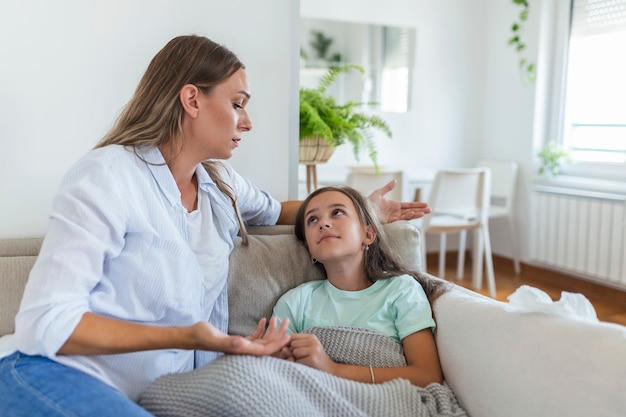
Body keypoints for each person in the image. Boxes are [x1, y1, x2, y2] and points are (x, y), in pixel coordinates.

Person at [0, 35, 431, 416]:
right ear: (192, 100)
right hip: (57, 374)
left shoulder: (220, 187)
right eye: (238, 103)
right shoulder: (106, 175)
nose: (248, 121)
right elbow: (45, 324)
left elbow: (281, 210)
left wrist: (364, 210)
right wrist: (187, 336)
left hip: (161, 396)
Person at [273, 185, 448, 387]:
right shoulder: (295, 302)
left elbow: (427, 375)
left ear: (368, 234)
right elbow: (278, 374)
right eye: (312, 220)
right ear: (309, 248)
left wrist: (334, 369)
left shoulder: (402, 290)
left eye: (337, 212)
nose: (324, 223)